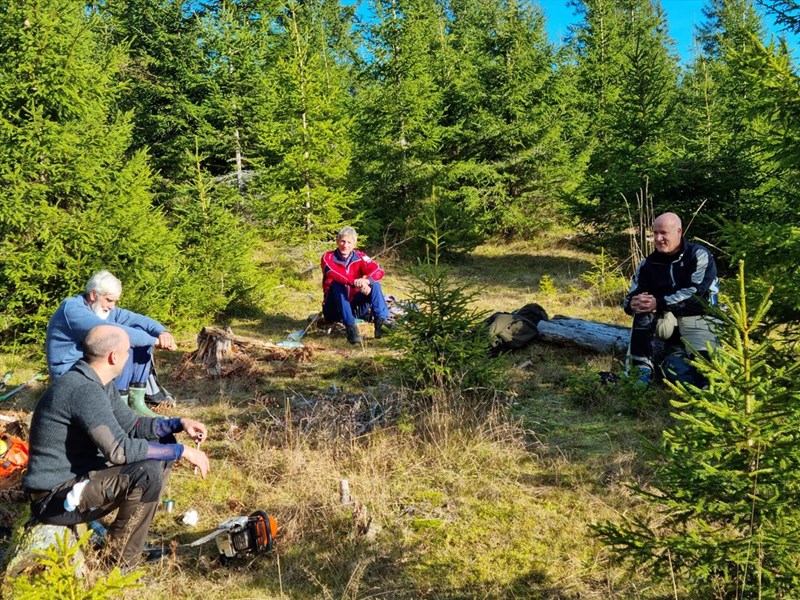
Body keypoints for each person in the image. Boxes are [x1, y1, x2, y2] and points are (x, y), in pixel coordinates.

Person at [23, 325, 210, 569]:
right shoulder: (83, 390)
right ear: (114, 356)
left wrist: (178, 423)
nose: (129, 356)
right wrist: (183, 452)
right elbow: (118, 450)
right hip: (55, 498)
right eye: (128, 351)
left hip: (78, 481)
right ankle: (119, 561)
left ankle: (131, 543)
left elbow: (132, 425)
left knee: (163, 445)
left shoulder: (99, 381)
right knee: (146, 472)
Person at [46, 270, 177, 416]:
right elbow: (111, 332)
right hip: (71, 376)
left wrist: (162, 333)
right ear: (93, 295)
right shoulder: (73, 310)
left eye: (115, 301)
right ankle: (118, 408)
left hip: (90, 367)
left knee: (138, 333)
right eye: (109, 300)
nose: (112, 306)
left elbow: (137, 319)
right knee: (120, 343)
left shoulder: (100, 307)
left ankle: (135, 404)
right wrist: (154, 341)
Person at [623, 212, 719, 385]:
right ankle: (639, 374)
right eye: (655, 233)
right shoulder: (648, 263)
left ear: (679, 232)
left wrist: (658, 303)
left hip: (696, 315)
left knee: (708, 372)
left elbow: (696, 294)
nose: (658, 238)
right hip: (664, 318)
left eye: (663, 233)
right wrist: (633, 303)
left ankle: (700, 382)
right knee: (643, 310)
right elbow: (633, 294)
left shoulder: (699, 255)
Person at [320, 226, 392, 344]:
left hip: (355, 306)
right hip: (334, 309)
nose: (345, 245)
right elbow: (334, 273)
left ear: (354, 244)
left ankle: (380, 323)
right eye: (342, 241)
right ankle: (352, 330)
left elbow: (378, 269)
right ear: (337, 241)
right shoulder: (328, 257)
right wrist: (354, 282)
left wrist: (367, 281)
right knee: (338, 284)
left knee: (375, 284)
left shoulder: (359, 256)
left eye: (349, 242)